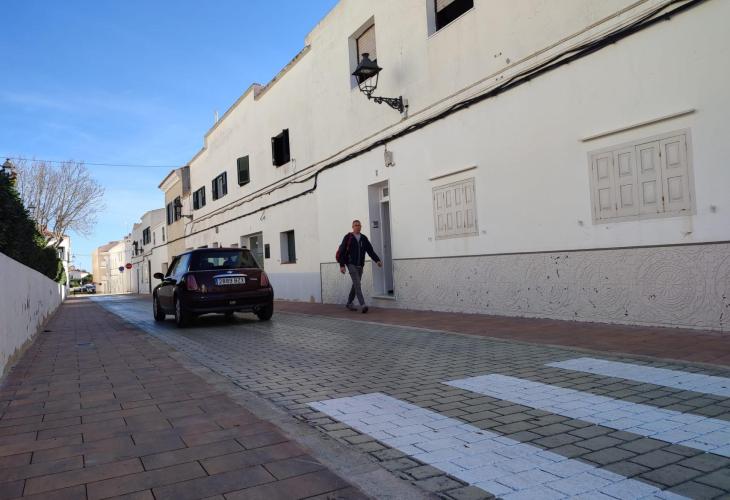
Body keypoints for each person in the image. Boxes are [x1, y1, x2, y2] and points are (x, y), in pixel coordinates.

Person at [337, 219, 382, 313]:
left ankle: (349, 303)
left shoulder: (364, 238)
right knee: (357, 284)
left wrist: (377, 260)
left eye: (359, 225)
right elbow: (341, 251)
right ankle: (363, 304)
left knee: (355, 285)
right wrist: (342, 265)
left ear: (361, 227)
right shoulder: (348, 237)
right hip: (350, 264)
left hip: (360, 265)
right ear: (352, 227)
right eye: (356, 225)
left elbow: (370, 251)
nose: (357, 227)